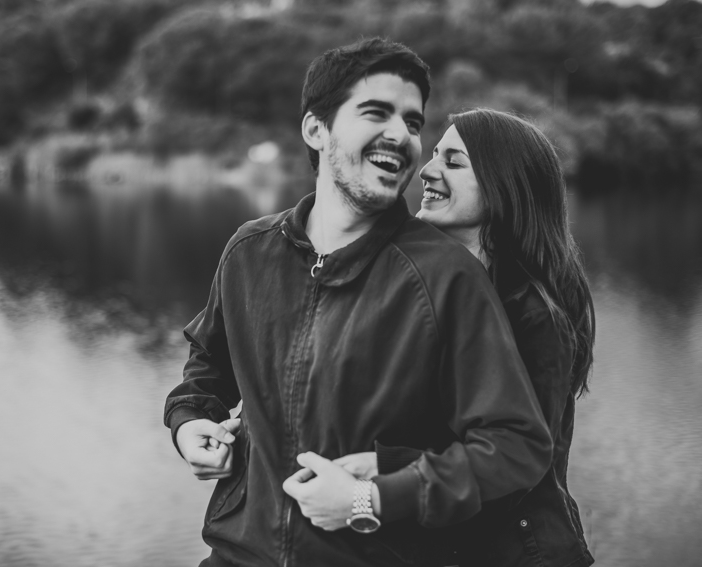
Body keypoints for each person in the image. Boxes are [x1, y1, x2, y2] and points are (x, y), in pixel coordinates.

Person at [164, 39, 553, 567]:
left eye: (413, 123)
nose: (402, 135)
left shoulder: (446, 276)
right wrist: (190, 423)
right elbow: (208, 365)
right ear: (316, 130)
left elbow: (514, 446)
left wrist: (370, 499)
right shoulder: (249, 251)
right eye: (376, 113)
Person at [339, 109, 596, 567]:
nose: (426, 170)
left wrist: (369, 489)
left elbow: (514, 470)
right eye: (435, 155)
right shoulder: (431, 288)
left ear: (504, 188)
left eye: (454, 162)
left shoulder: (535, 317)